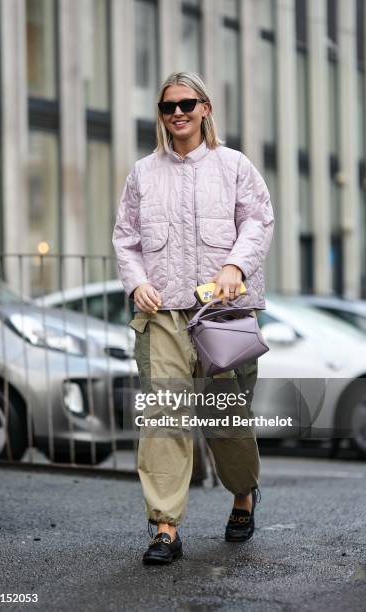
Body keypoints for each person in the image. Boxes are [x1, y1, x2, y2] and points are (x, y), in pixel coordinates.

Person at [112, 71, 274, 565]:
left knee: (225, 418)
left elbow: (259, 220)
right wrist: (136, 281)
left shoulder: (234, 166)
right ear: (161, 116)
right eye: (167, 107)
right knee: (164, 417)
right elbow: (126, 238)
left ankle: (243, 493)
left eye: (187, 103)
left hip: (223, 314)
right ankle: (164, 527)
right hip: (161, 313)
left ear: (205, 108)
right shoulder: (143, 172)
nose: (177, 113)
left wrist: (234, 266)